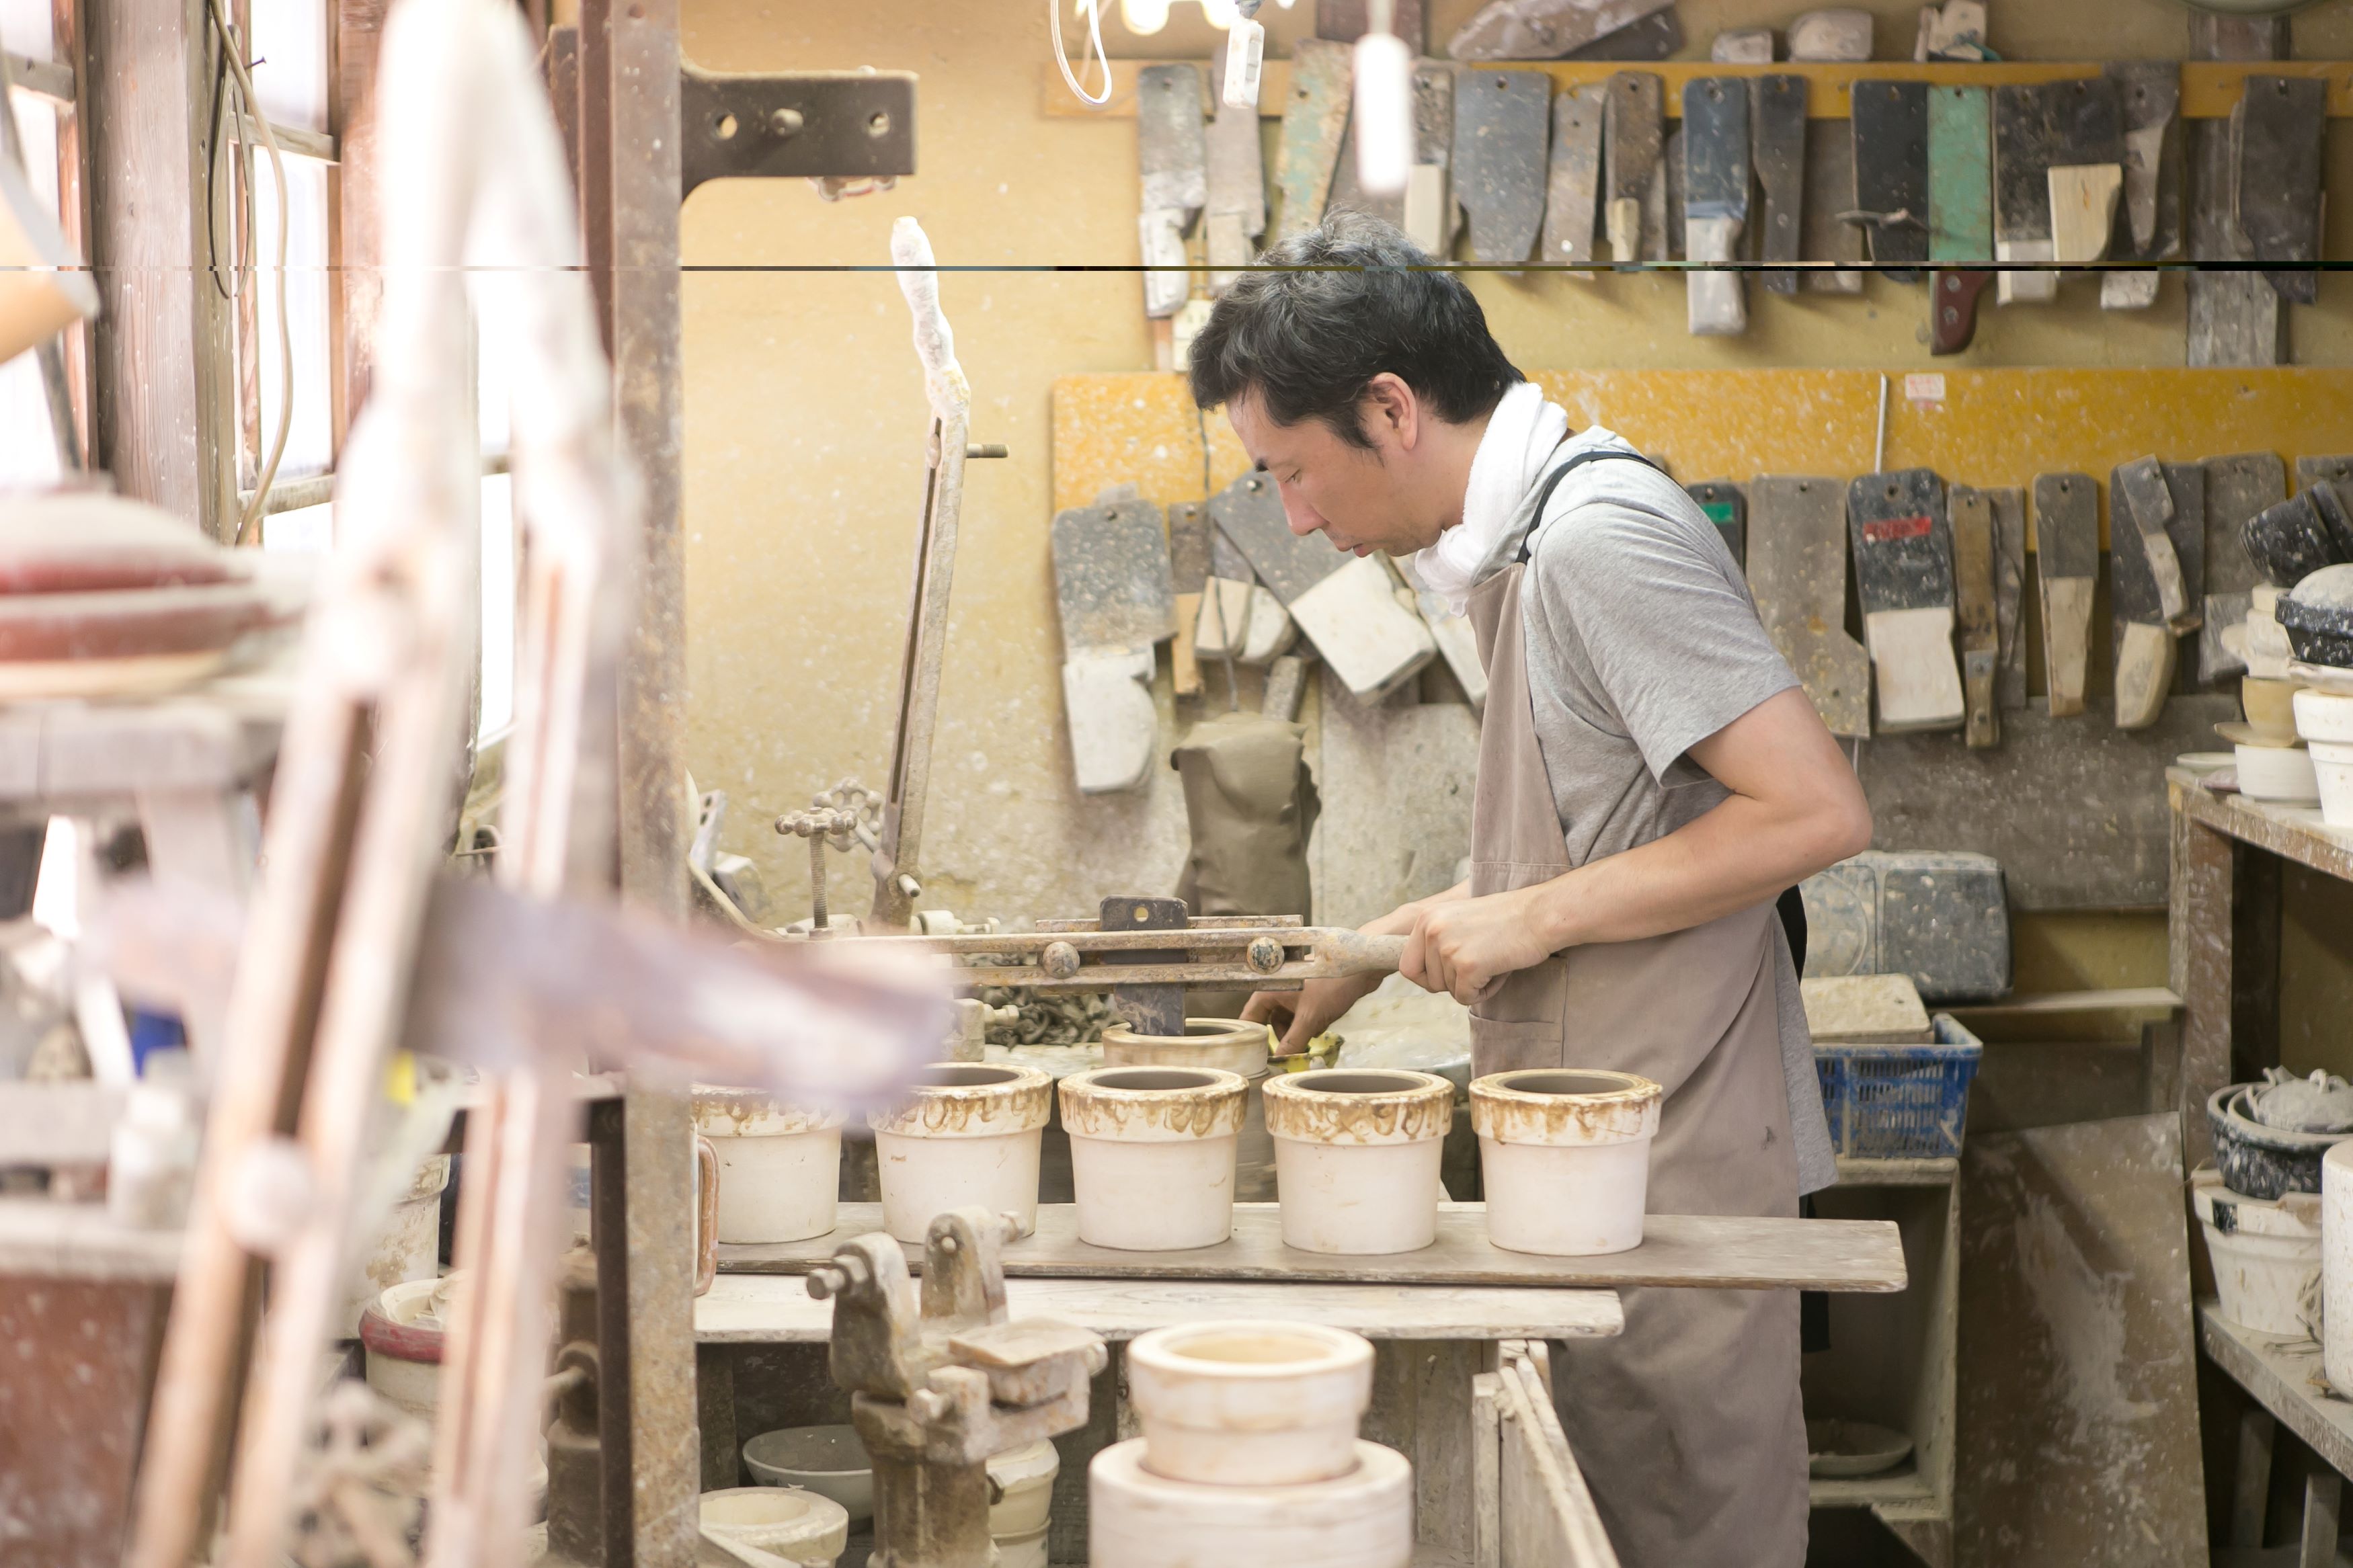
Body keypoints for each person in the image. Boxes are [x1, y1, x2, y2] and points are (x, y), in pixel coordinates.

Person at [1188, 212, 1868, 1568]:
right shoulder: (1519, 548)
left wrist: (1528, 919)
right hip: (1591, 1144)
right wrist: (1369, 947)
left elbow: (1813, 810)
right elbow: (1584, 832)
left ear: (1389, 409)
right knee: (1595, 1518)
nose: (1297, 517)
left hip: (1667, 1149)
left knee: (1684, 1528)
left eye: (1293, 471)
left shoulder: (1599, 538)